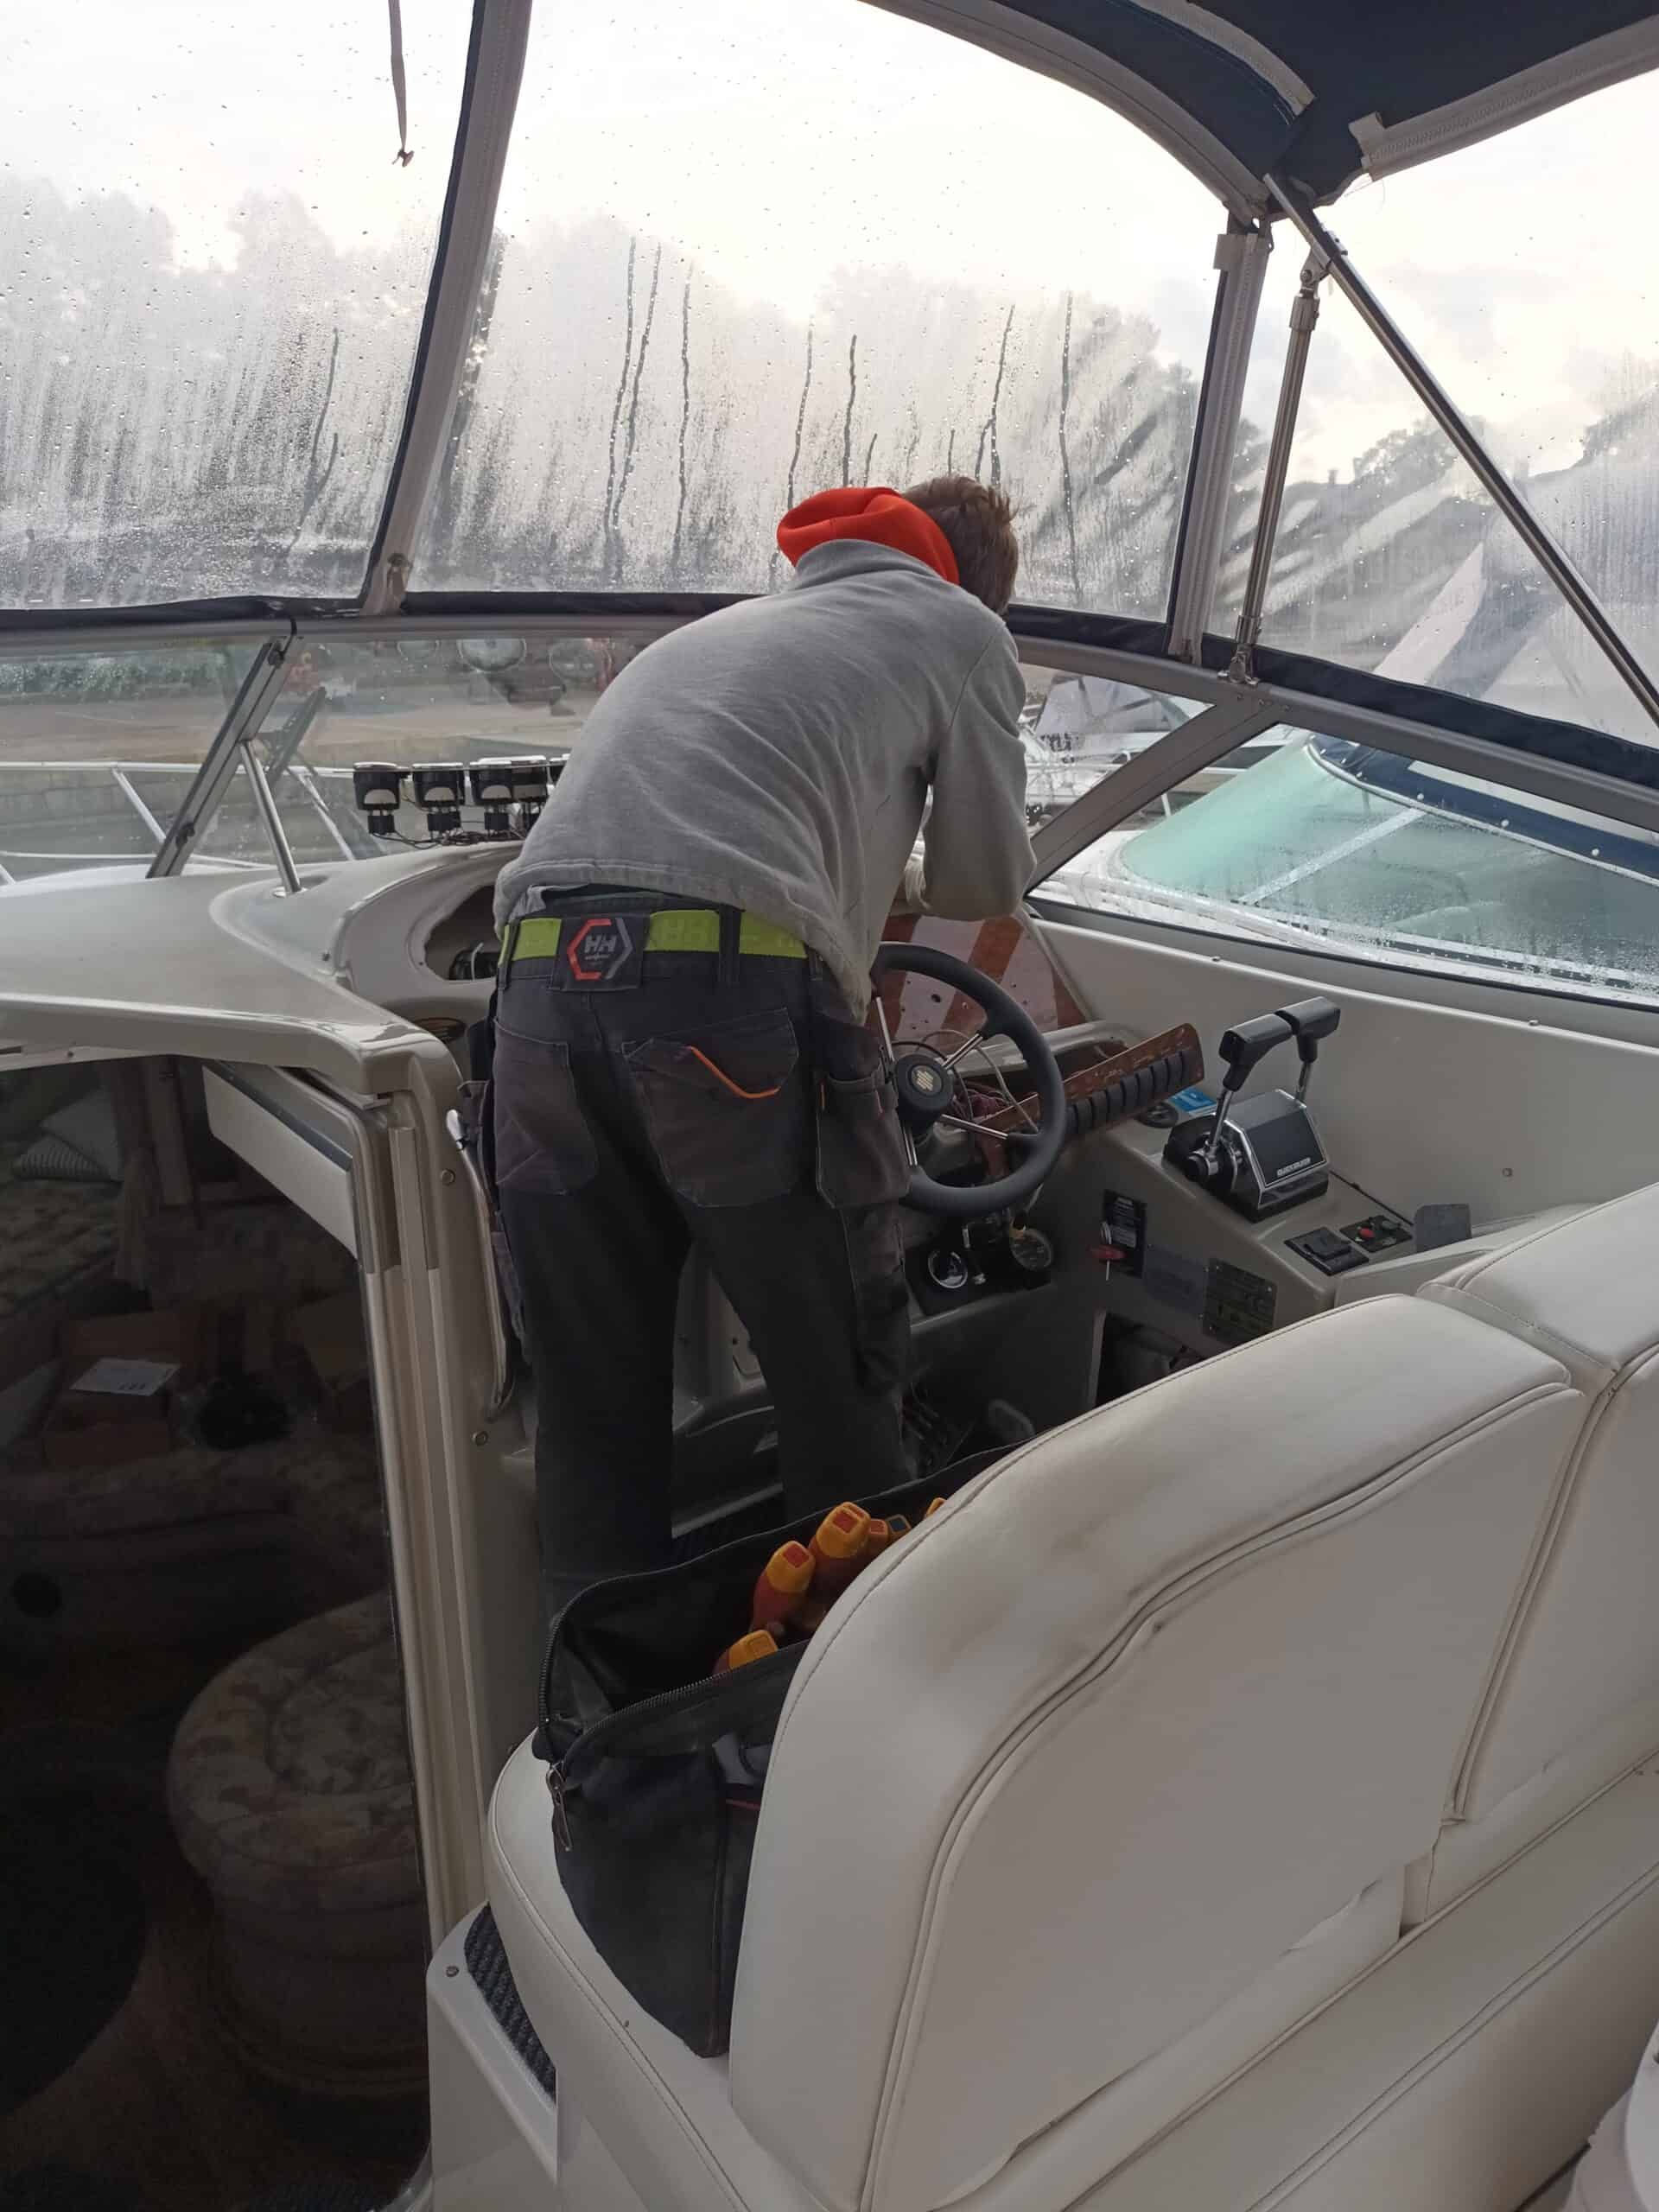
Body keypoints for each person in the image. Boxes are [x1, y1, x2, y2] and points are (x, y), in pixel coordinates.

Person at [490, 476, 1034, 1621]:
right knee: (837, 1371)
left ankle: (607, 1740)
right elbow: (987, 884)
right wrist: (866, 895)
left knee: (590, 1404)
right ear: (975, 584)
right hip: (726, 996)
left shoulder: (727, 630)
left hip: (536, 983)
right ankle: (859, 1687)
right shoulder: (962, 628)